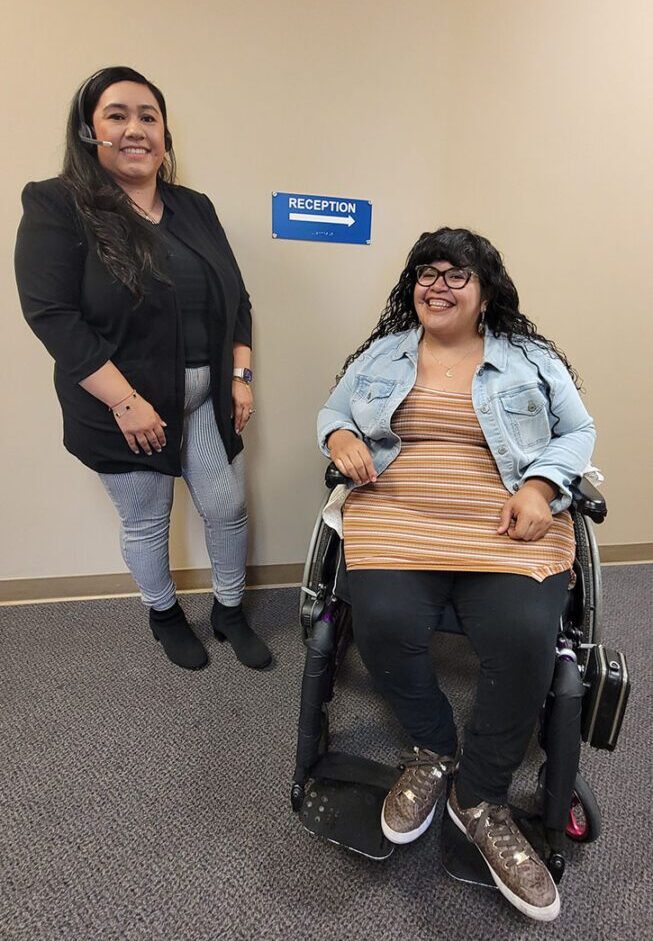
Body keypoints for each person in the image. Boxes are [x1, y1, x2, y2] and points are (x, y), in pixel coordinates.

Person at [317, 227, 595, 922]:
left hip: (505, 518)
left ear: (484, 291)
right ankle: (432, 748)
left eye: (454, 275)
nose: (436, 286)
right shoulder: (383, 353)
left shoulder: (527, 358)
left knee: (523, 635)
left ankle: (481, 795)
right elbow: (332, 410)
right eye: (425, 273)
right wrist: (340, 435)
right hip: (400, 510)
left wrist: (540, 485)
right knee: (380, 621)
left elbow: (577, 430)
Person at [15, 67, 271, 672]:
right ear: (89, 131)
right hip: (121, 407)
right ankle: (164, 615)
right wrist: (125, 403)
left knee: (227, 507)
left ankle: (229, 610)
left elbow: (239, 299)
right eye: (117, 115)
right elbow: (52, 315)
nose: (136, 129)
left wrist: (240, 377)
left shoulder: (194, 208)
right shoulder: (57, 204)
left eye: (149, 117)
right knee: (147, 520)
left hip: (206, 400)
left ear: (165, 135)